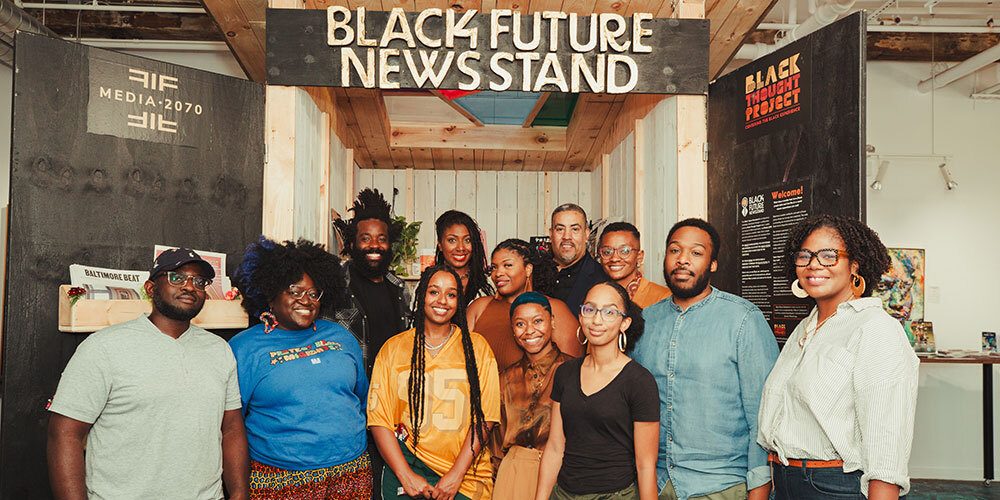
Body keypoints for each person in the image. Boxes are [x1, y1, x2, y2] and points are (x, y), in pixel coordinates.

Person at [47, 248, 249, 500]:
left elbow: (231, 427)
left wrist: (240, 492)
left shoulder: (219, 350)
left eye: (199, 281)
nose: (190, 286)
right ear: (151, 288)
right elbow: (64, 434)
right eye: (177, 277)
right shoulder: (103, 347)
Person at [758, 215, 919, 500]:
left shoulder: (875, 328)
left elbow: (886, 444)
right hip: (784, 482)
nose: (814, 264)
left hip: (834, 488)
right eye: (805, 255)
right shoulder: (805, 328)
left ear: (854, 265)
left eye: (829, 256)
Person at [631, 218, 778, 500]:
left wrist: (760, 493)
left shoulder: (743, 320)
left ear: (712, 264)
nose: (682, 260)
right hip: (656, 484)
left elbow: (763, 417)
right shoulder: (646, 320)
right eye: (675, 250)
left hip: (722, 485)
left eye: (696, 253)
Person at [229, 238, 371, 499]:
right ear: (271, 295)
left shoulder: (341, 336)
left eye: (314, 293)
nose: (306, 300)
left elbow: (361, 397)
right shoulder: (245, 348)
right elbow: (231, 424)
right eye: (295, 291)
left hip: (352, 471)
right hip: (281, 476)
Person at [367, 265, 501, 500]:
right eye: (434, 292)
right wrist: (405, 475)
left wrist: (456, 475)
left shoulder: (477, 348)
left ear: (459, 301)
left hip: (465, 475)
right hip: (407, 466)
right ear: (421, 296)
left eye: (451, 294)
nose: (443, 301)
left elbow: (485, 418)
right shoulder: (394, 348)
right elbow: (379, 420)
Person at [535, 281, 660, 500]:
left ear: (624, 323)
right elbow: (555, 447)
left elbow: (645, 465)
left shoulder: (639, 381)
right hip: (564, 493)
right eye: (590, 309)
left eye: (609, 312)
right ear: (581, 316)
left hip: (615, 494)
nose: (597, 319)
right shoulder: (565, 373)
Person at [493, 292, 575, 500]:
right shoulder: (505, 379)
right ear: (512, 329)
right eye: (520, 324)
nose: (529, 331)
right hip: (513, 474)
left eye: (538, 321)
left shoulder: (575, 370)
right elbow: (495, 441)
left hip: (563, 473)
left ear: (552, 321)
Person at [467, 239, 584, 371]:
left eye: (507, 265)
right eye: (494, 267)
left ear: (528, 269)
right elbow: (457, 358)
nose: (498, 273)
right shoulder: (479, 307)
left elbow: (571, 372)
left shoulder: (554, 308)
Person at [333, 188, 411, 375]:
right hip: (352, 392)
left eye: (381, 239)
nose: (375, 245)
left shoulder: (400, 289)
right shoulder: (336, 284)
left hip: (391, 390)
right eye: (365, 238)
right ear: (352, 244)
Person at [548, 203, 609, 318]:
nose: (567, 236)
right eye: (560, 229)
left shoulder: (600, 279)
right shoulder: (534, 271)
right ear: (551, 234)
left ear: (586, 235)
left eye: (575, 229)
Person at [598, 222, 671, 309]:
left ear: (639, 256)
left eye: (624, 251)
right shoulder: (595, 294)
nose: (614, 258)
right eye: (607, 252)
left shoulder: (664, 298)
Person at [435, 210, 495, 304]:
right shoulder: (428, 283)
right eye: (452, 240)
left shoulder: (489, 284)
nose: (461, 248)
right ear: (440, 245)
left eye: (467, 240)